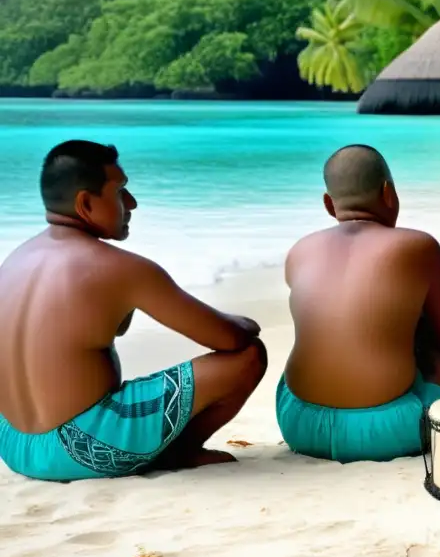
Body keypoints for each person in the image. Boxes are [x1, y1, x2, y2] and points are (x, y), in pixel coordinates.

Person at [0, 141, 267, 482]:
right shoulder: (120, 268)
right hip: (81, 449)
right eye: (121, 191)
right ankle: (180, 451)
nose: (132, 203)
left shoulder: (15, 259)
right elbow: (229, 339)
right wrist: (243, 323)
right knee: (248, 355)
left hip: (13, 444)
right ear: (85, 203)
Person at [277, 144, 440, 463]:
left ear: (329, 205)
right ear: (389, 193)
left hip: (298, 424)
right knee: (437, 353)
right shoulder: (420, 246)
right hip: (392, 429)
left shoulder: (300, 250)